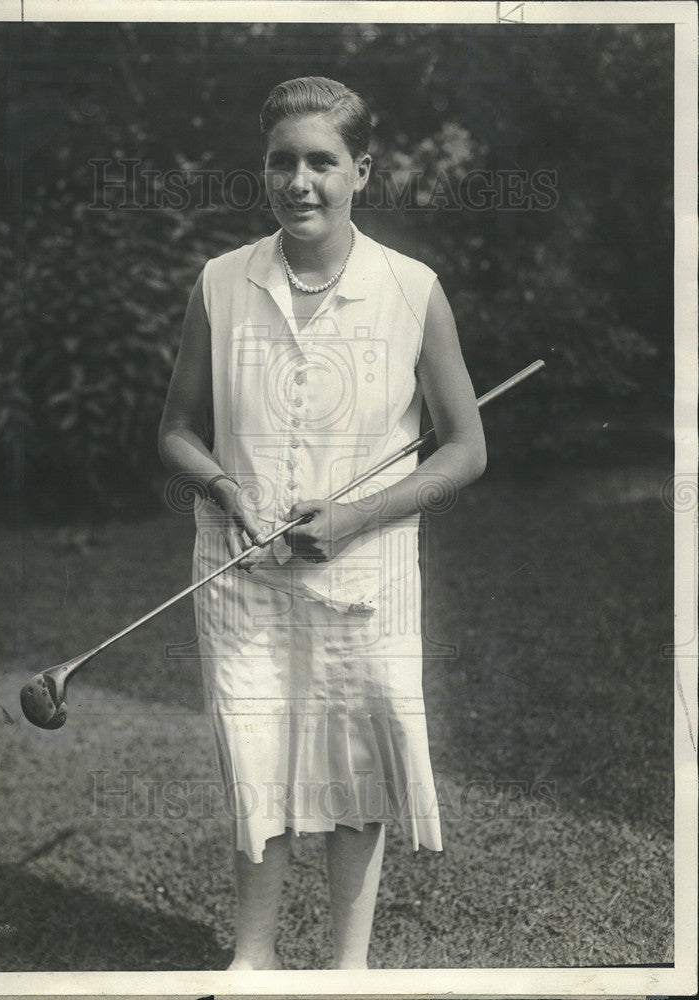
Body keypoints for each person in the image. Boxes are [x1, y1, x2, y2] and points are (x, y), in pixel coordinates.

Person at [159, 76, 486, 971]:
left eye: (322, 162)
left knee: (356, 762)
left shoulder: (411, 289)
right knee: (255, 754)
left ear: (361, 172)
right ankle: (254, 956)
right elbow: (176, 429)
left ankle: (349, 969)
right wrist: (225, 485)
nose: (299, 182)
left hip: (365, 575)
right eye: (281, 162)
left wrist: (356, 516)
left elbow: (465, 448)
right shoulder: (221, 283)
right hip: (241, 573)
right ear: (263, 169)